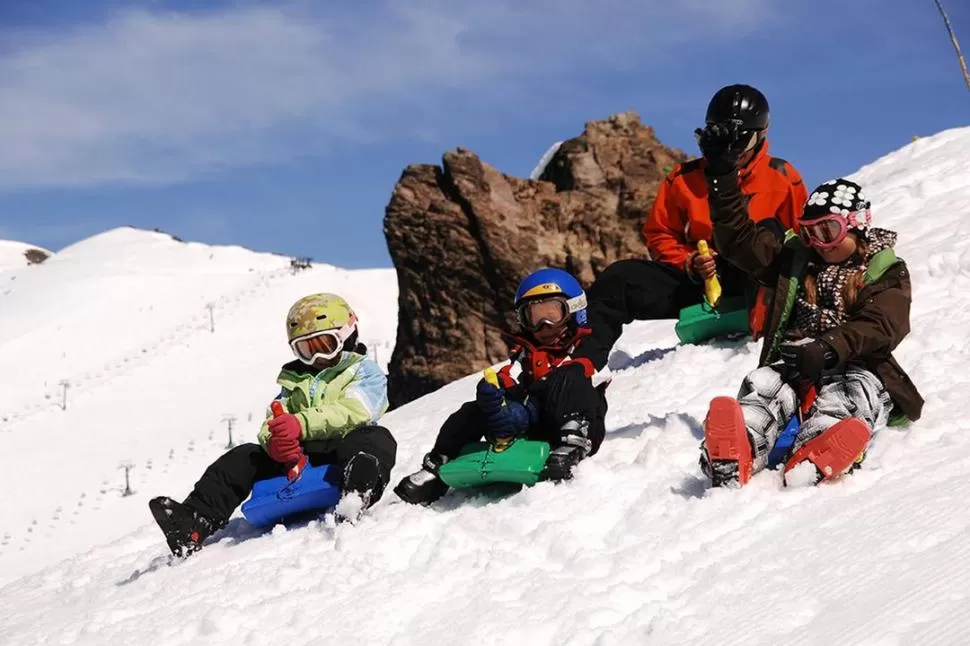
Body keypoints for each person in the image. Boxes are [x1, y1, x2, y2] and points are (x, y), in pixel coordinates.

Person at [699, 175, 924, 487]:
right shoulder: (796, 260)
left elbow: (883, 324)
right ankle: (738, 449)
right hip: (796, 360)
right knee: (763, 386)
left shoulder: (883, 269)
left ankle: (818, 451)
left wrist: (829, 348)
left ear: (855, 225)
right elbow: (738, 241)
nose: (819, 243)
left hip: (857, 363)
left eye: (828, 231)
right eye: (808, 233)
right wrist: (721, 172)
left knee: (852, 396)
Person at [572, 84, 808, 370]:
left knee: (770, 233)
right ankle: (580, 368)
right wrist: (690, 262)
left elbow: (801, 243)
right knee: (619, 279)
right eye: (723, 141)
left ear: (761, 136)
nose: (733, 152)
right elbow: (659, 234)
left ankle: (760, 320)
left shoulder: (782, 178)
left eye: (740, 142)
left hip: (757, 283)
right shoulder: (683, 179)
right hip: (702, 279)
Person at [149, 293, 397, 557]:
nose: (315, 358)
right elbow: (273, 422)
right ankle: (195, 521)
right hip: (299, 457)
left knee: (374, 437)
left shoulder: (365, 372)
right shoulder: (293, 381)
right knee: (245, 456)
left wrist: (300, 423)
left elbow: (356, 410)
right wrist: (276, 442)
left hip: (343, 450)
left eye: (324, 345)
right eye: (305, 350)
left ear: (347, 335)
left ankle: (357, 492)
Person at [394, 268, 608, 505]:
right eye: (534, 317)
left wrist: (539, 393)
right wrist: (496, 397)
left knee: (569, 377)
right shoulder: (525, 353)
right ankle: (437, 466)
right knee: (472, 410)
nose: (543, 325)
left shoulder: (586, 346)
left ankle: (572, 445)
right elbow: (510, 378)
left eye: (552, 314)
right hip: (533, 422)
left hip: (578, 421)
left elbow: (592, 377)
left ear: (574, 310)